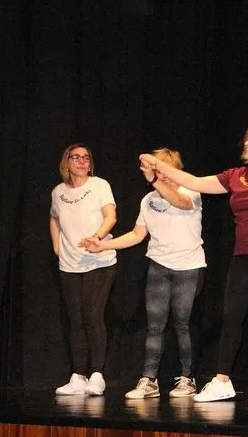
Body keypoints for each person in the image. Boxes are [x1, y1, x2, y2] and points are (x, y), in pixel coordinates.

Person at [140, 126, 248, 403]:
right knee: (232, 315)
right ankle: (223, 379)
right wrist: (158, 165)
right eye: (247, 138)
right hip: (244, 255)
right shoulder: (235, 176)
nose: (247, 142)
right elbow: (194, 182)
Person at [83, 148, 205, 399]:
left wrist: (156, 180)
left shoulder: (190, 192)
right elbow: (137, 235)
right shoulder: (148, 199)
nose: (162, 175)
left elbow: (179, 202)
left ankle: (188, 379)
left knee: (182, 323)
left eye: (165, 170)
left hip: (188, 267)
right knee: (154, 326)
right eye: (158, 170)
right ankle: (149, 380)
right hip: (159, 266)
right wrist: (102, 244)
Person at [50, 144, 118, 396]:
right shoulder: (58, 192)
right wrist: (57, 246)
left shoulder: (99, 185)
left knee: (92, 314)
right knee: (76, 319)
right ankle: (78, 376)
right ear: (66, 162)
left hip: (98, 261)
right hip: (69, 265)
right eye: (75, 157)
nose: (81, 161)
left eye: (85, 158)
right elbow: (54, 217)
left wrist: (96, 237)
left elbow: (111, 216)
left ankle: (97, 375)